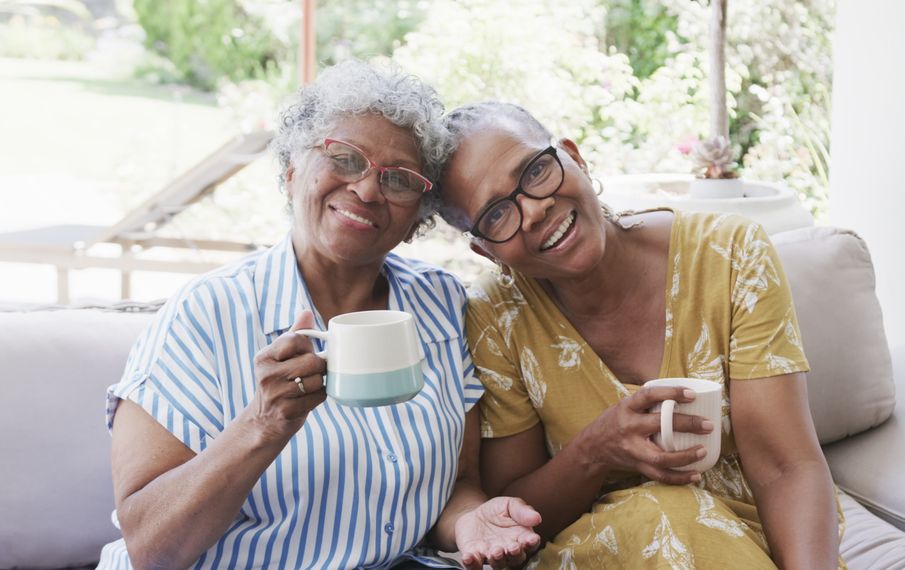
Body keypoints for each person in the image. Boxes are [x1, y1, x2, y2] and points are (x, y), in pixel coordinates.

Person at [98, 63, 541, 570]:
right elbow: (151, 548)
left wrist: (468, 524)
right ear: (291, 168)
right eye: (345, 159)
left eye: (398, 179)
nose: (369, 190)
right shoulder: (206, 313)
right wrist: (262, 425)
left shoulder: (439, 303)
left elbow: (458, 483)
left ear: (418, 215)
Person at [435, 101, 843, 569]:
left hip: (759, 545)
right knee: (665, 511)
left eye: (535, 171)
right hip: (599, 552)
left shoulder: (730, 255)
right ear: (486, 250)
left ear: (574, 157)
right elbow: (515, 513)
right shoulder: (497, 316)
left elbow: (787, 467)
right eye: (495, 215)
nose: (533, 209)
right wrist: (595, 449)